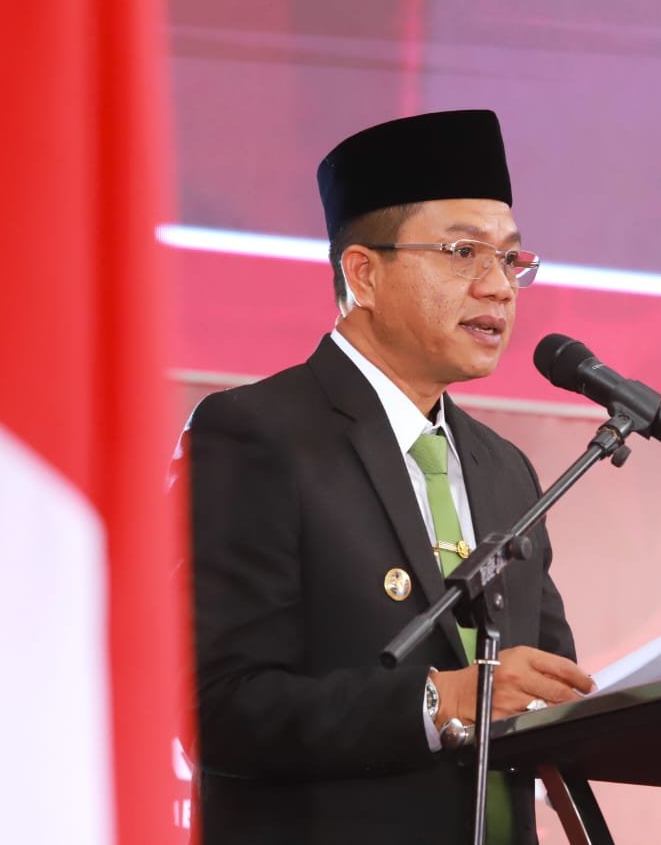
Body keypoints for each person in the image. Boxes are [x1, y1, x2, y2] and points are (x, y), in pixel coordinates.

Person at [188, 109, 592, 845]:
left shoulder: (505, 469)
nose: (500, 287)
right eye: (464, 252)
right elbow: (213, 708)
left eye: (511, 260)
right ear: (364, 274)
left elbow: (549, 688)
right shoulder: (257, 433)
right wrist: (439, 703)